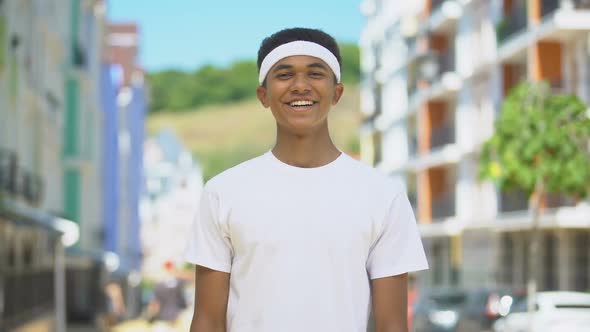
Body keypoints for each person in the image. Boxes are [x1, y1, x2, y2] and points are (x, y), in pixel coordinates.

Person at [185, 27, 428, 332]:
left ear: (337, 92)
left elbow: (392, 325)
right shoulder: (222, 193)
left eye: (315, 74)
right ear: (264, 95)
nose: (300, 86)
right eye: (284, 75)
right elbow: (207, 321)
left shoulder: (383, 195)